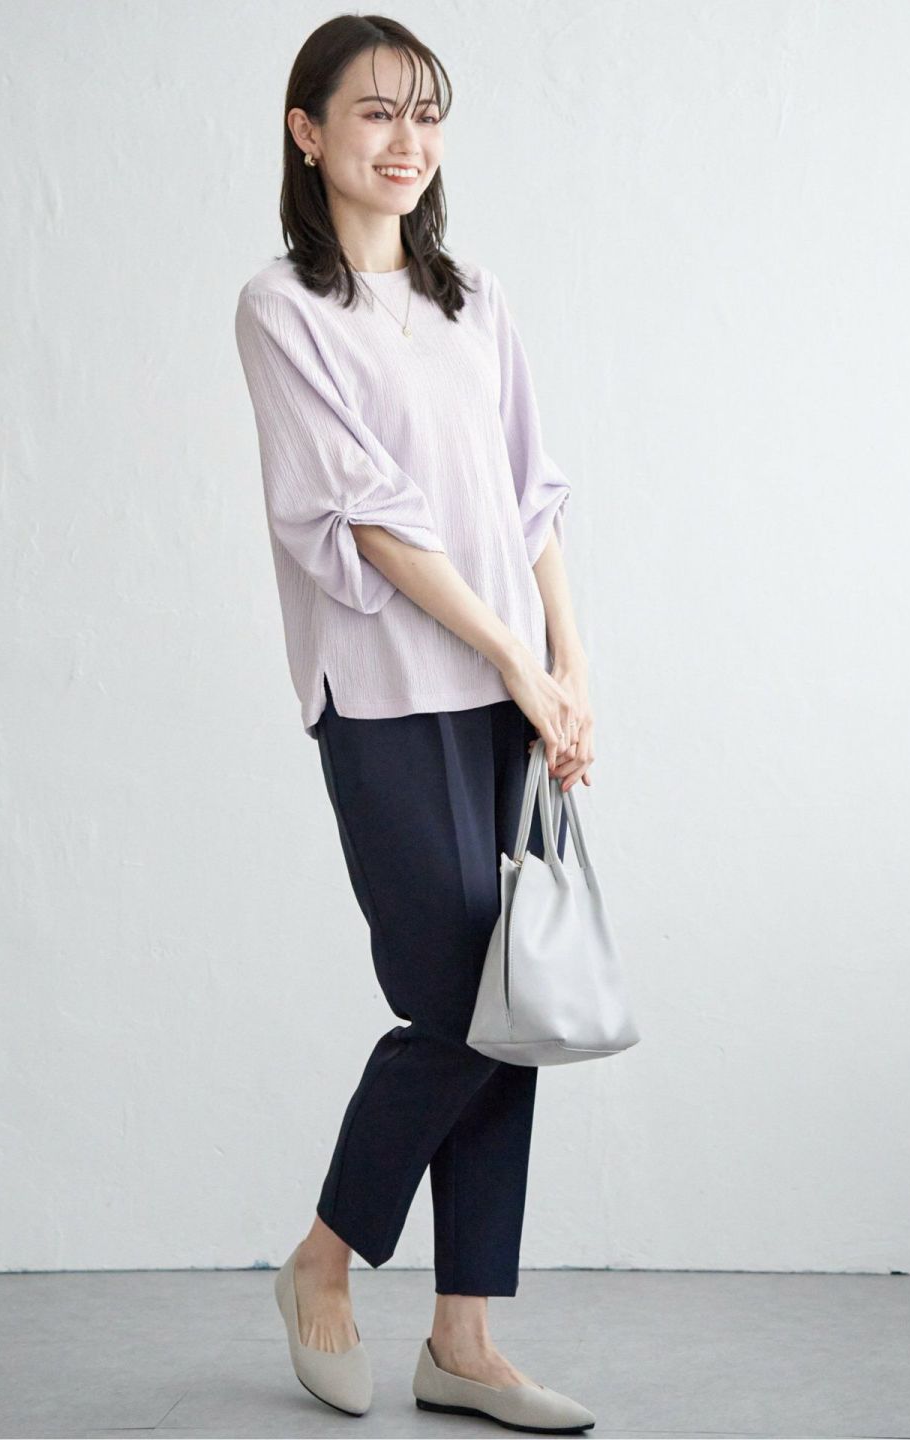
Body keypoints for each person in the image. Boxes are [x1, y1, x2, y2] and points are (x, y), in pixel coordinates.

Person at [233, 14, 597, 1432]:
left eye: (427, 115)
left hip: (513, 691)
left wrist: (571, 667)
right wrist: (515, 655)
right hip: (385, 691)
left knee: (512, 996)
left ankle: (465, 1340)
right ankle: (324, 1257)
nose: (407, 141)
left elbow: (530, 496)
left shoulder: (474, 299)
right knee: (457, 989)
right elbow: (366, 521)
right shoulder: (283, 310)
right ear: (306, 129)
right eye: (376, 111)